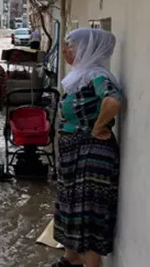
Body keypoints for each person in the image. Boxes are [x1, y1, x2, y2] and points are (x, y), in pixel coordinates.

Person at [51, 28, 122, 267]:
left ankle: (91, 263)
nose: (66, 50)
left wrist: (97, 127)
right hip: (75, 153)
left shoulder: (97, 76)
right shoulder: (81, 75)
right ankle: (70, 259)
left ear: (87, 49)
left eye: (71, 45)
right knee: (71, 206)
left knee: (88, 214)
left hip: (91, 155)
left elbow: (113, 100)